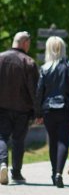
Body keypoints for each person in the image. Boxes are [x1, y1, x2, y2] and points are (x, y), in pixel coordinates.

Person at [35, 36, 69, 188]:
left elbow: (39, 92)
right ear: (63, 49)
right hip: (65, 108)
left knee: (53, 141)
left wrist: (37, 113)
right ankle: (58, 173)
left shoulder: (44, 68)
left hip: (49, 109)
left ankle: (53, 172)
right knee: (63, 141)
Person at [0, 31, 39, 185]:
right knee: (18, 140)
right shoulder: (28, 62)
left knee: (1, 136)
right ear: (25, 43)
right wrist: (38, 111)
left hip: (1, 107)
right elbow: (34, 90)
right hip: (22, 109)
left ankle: (2, 163)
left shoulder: (0, 58)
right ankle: (16, 173)